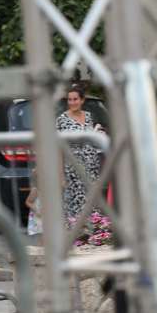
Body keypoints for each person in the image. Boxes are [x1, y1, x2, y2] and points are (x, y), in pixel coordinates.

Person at [56, 84, 104, 219]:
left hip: (92, 166)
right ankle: (75, 237)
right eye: (69, 99)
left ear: (82, 100)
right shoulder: (62, 120)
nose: (72, 102)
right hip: (73, 169)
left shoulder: (89, 116)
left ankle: (93, 237)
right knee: (75, 206)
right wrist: (60, 175)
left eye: (75, 99)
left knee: (93, 203)